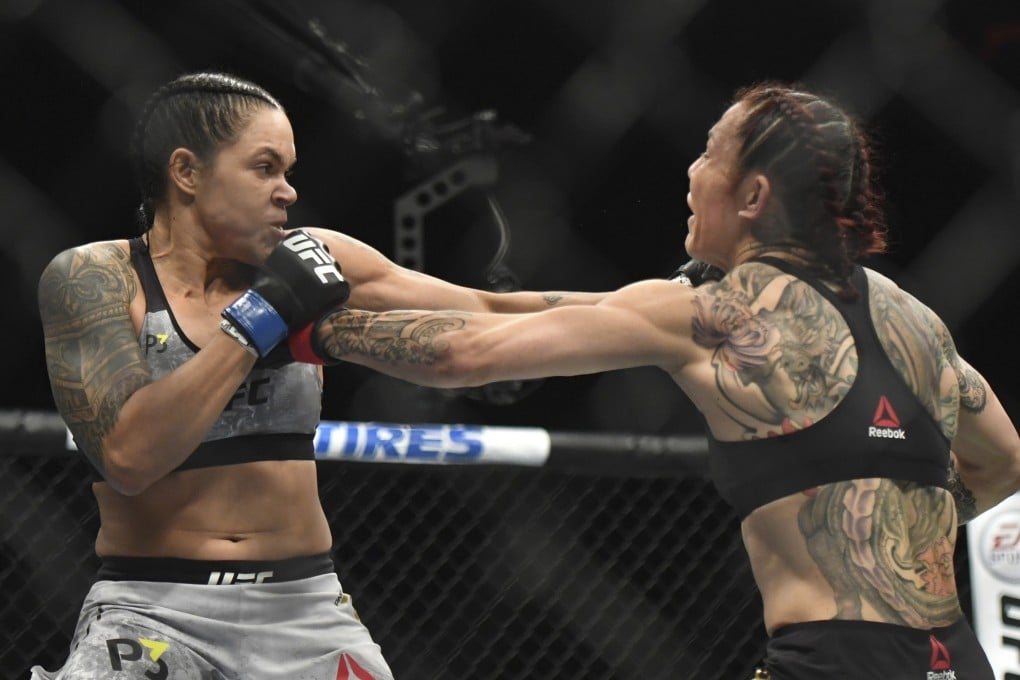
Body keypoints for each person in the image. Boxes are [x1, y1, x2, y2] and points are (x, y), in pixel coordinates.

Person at [299, 82, 1020, 679]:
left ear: (753, 196)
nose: (691, 170)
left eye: (710, 152)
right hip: (951, 658)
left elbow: (467, 354)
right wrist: (379, 280)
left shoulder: (714, 312)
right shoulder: (917, 321)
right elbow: (1003, 462)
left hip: (831, 662)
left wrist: (305, 329)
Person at [34, 70, 606, 680]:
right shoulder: (96, 279)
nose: (287, 192)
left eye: (289, 171)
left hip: (302, 607)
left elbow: (484, 310)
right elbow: (130, 455)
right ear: (188, 172)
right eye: (264, 168)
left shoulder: (314, 256)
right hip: (152, 610)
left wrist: (664, 309)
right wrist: (262, 318)